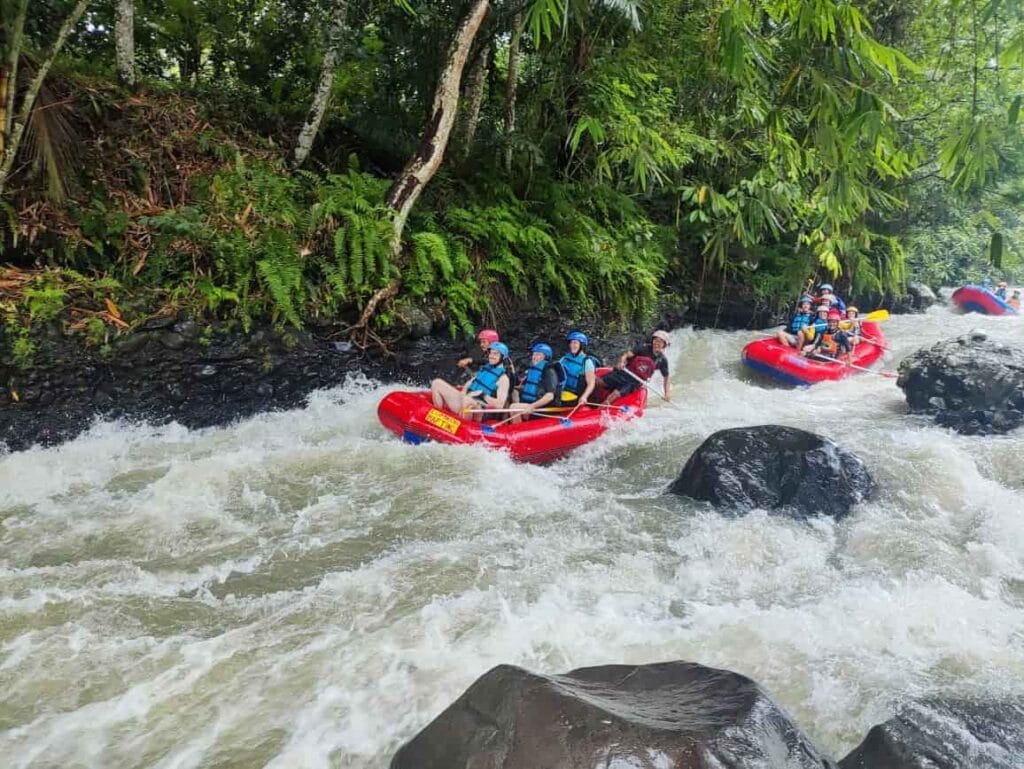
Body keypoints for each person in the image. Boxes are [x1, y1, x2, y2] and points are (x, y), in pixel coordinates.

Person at [430, 341, 512, 420]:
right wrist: (463, 391)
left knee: (468, 400)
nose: (491, 356)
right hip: (467, 400)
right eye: (491, 353)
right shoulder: (486, 368)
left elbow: (500, 405)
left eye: (495, 354)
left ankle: (462, 426)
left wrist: (482, 395)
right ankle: (437, 418)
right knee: (436, 383)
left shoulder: (503, 379)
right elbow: (471, 382)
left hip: (480, 410)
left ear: (503, 357)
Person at [600, 330, 671, 403]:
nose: (657, 343)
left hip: (634, 382)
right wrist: (621, 362)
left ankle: (600, 409)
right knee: (599, 382)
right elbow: (626, 355)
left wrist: (667, 393)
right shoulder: (643, 348)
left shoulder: (662, 360)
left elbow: (666, 378)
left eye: (660, 341)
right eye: (656, 340)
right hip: (624, 372)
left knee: (613, 395)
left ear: (664, 345)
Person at [508, 343, 562, 422]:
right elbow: (533, 387)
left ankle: (518, 430)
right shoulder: (532, 369)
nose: (534, 357)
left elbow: (550, 396)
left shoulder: (549, 371)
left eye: (538, 354)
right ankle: (508, 423)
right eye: (534, 354)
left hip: (542, 407)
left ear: (545, 357)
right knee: (513, 392)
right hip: (530, 402)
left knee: (514, 407)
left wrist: (532, 406)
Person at [559, 331, 598, 411]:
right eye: (571, 343)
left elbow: (591, 384)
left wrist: (584, 397)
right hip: (561, 393)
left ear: (582, 345)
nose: (572, 345)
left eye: (575, 343)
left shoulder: (587, 362)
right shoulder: (564, 359)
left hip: (575, 396)